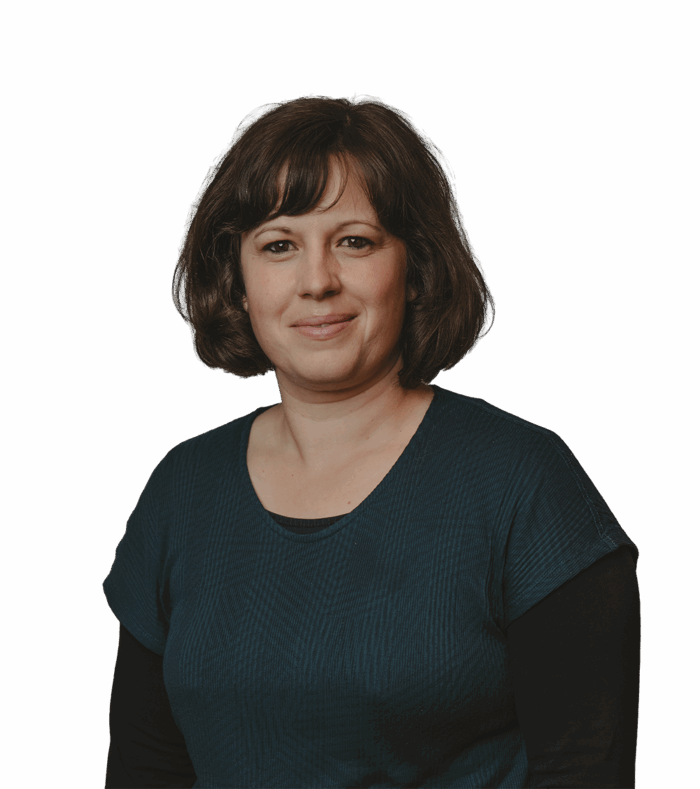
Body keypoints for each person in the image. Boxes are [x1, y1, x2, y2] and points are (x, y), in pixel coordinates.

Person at [103, 94, 641, 788]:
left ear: (414, 269)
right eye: (278, 245)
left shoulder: (524, 484)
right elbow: (144, 770)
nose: (317, 282)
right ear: (237, 283)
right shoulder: (182, 490)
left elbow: (584, 770)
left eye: (354, 241)